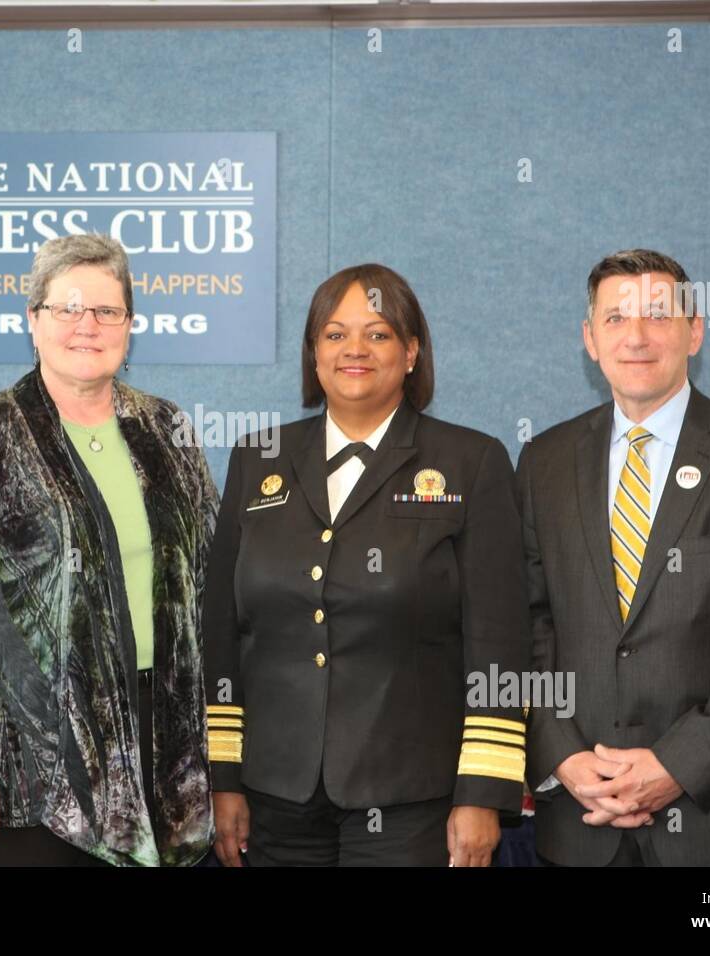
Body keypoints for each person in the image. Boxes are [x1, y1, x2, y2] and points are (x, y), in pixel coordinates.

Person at [0, 233, 217, 866]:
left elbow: (215, 583)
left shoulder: (168, 430)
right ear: (33, 322)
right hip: (23, 778)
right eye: (67, 309)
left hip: (161, 762)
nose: (87, 326)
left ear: (129, 325)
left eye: (106, 311)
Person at [205, 263, 530, 867]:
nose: (354, 349)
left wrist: (483, 792)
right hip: (277, 797)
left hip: (412, 799)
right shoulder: (257, 459)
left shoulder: (470, 462)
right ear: (313, 353)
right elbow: (223, 629)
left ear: (411, 353)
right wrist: (224, 775)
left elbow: (499, 641)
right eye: (334, 334)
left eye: (378, 334)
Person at [519, 249, 710, 865]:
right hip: (582, 823)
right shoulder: (541, 463)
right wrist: (562, 755)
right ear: (589, 338)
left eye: (659, 315)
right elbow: (529, 622)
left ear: (695, 331)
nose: (636, 337)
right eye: (615, 318)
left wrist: (675, 765)